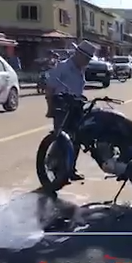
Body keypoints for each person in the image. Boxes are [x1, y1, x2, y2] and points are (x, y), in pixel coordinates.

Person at [45, 40, 97, 182]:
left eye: (89, 59)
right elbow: (50, 88)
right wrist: (50, 108)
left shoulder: (81, 69)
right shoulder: (63, 67)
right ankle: (58, 172)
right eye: (86, 58)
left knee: (76, 140)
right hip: (62, 107)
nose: (87, 62)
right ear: (78, 54)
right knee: (62, 140)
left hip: (76, 107)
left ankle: (70, 170)